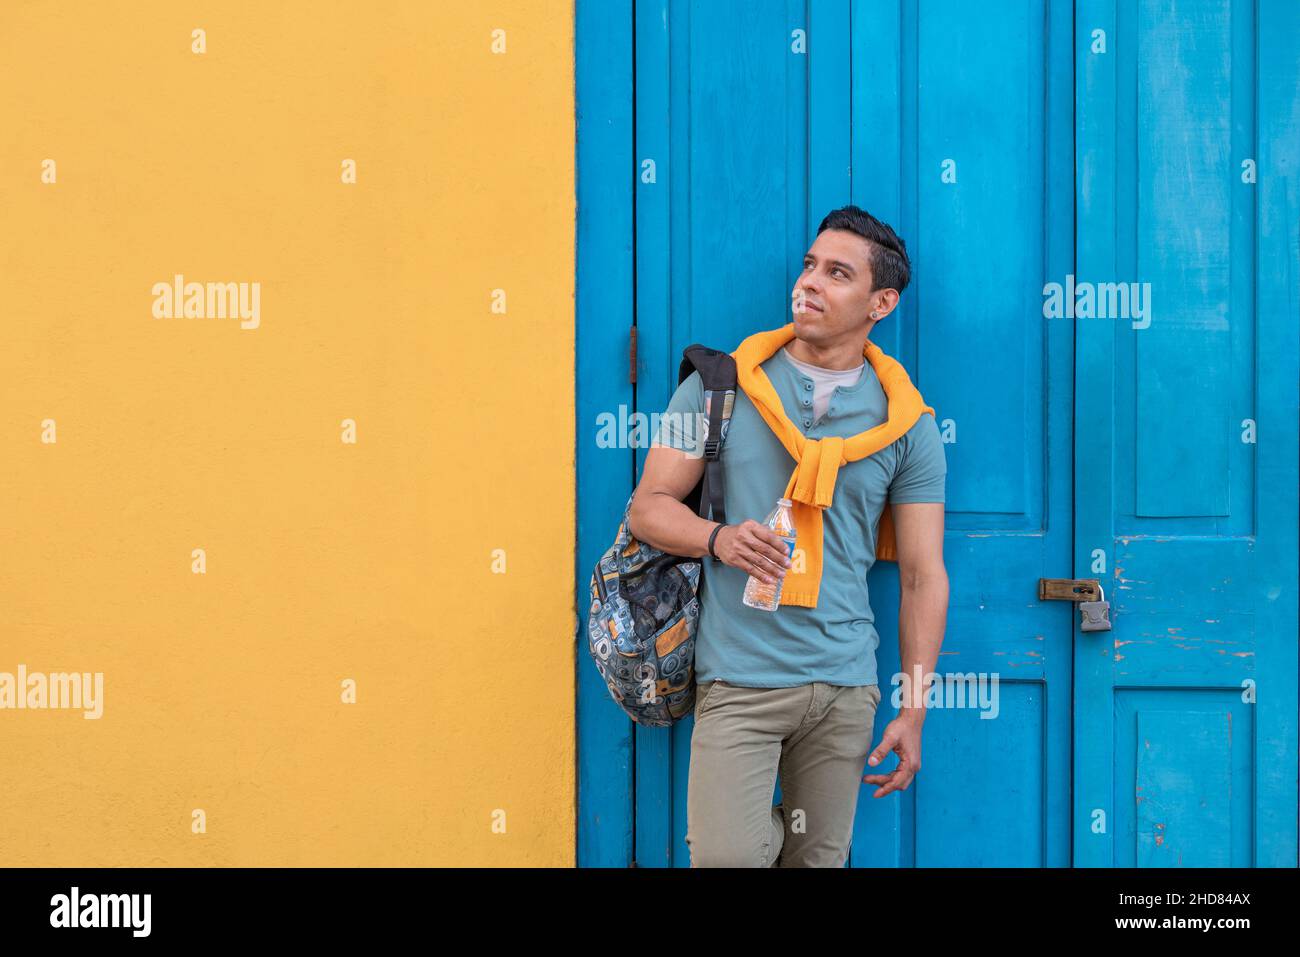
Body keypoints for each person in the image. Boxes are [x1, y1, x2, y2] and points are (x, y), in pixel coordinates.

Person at [627, 205, 949, 867]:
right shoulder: (719, 389)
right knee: (727, 856)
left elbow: (921, 575)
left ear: (880, 302)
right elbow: (648, 508)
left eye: (837, 273)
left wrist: (913, 709)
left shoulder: (907, 425)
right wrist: (718, 539)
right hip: (740, 681)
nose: (809, 283)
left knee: (817, 861)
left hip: (842, 687)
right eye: (808, 265)